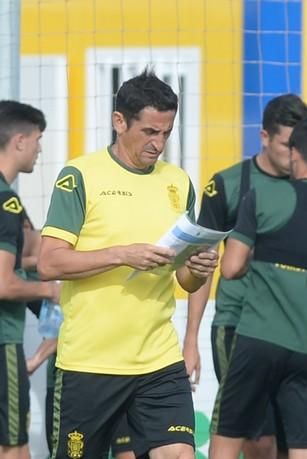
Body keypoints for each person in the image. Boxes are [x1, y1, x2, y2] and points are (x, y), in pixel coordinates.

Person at [37, 69, 218, 459]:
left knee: (179, 454)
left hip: (158, 360)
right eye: (150, 132)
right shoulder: (80, 175)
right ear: (120, 122)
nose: (159, 144)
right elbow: (49, 264)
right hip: (90, 362)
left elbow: (185, 279)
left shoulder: (179, 182)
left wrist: (198, 267)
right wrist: (122, 254)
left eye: (167, 133)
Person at [209, 116, 307, 459]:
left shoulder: (261, 196)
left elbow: (230, 268)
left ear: (294, 154)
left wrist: (270, 272)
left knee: (228, 439)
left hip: (257, 339)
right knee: (305, 449)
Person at [184, 93, 307, 459]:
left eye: (300, 146)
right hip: (237, 327)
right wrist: (191, 339)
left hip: (298, 332)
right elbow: (201, 263)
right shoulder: (227, 185)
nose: (294, 155)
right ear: (265, 137)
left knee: (294, 439)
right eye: (288, 145)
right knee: (258, 439)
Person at [0, 100, 60, 459]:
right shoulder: (6, 203)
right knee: (14, 446)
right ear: (20, 140)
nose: (40, 148)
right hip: (3, 341)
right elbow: (4, 284)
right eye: (38, 139)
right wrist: (49, 289)